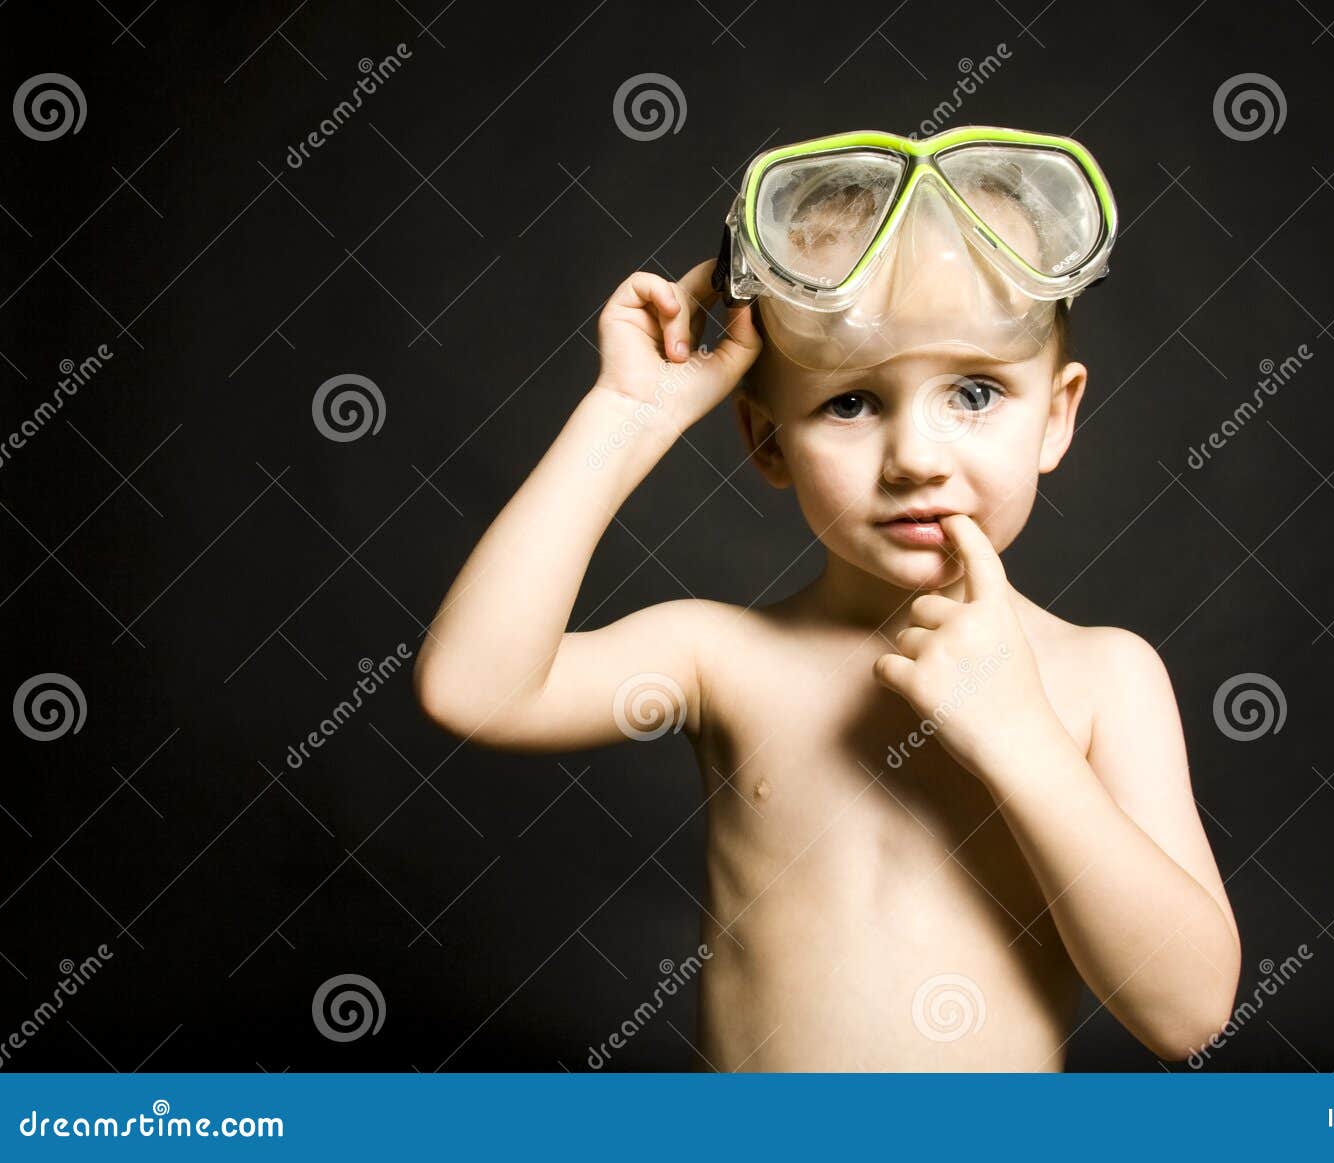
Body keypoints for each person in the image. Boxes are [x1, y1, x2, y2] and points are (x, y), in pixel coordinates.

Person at [415, 127, 1241, 1070]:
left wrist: (1024, 738)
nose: (916, 458)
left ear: (1056, 414)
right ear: (767, 441)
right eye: (851, 402)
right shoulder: (720, 658)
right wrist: (629, 417)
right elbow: (472, 688)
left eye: (974, 393)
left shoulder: (1104, 677)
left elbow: (1188, 1013)